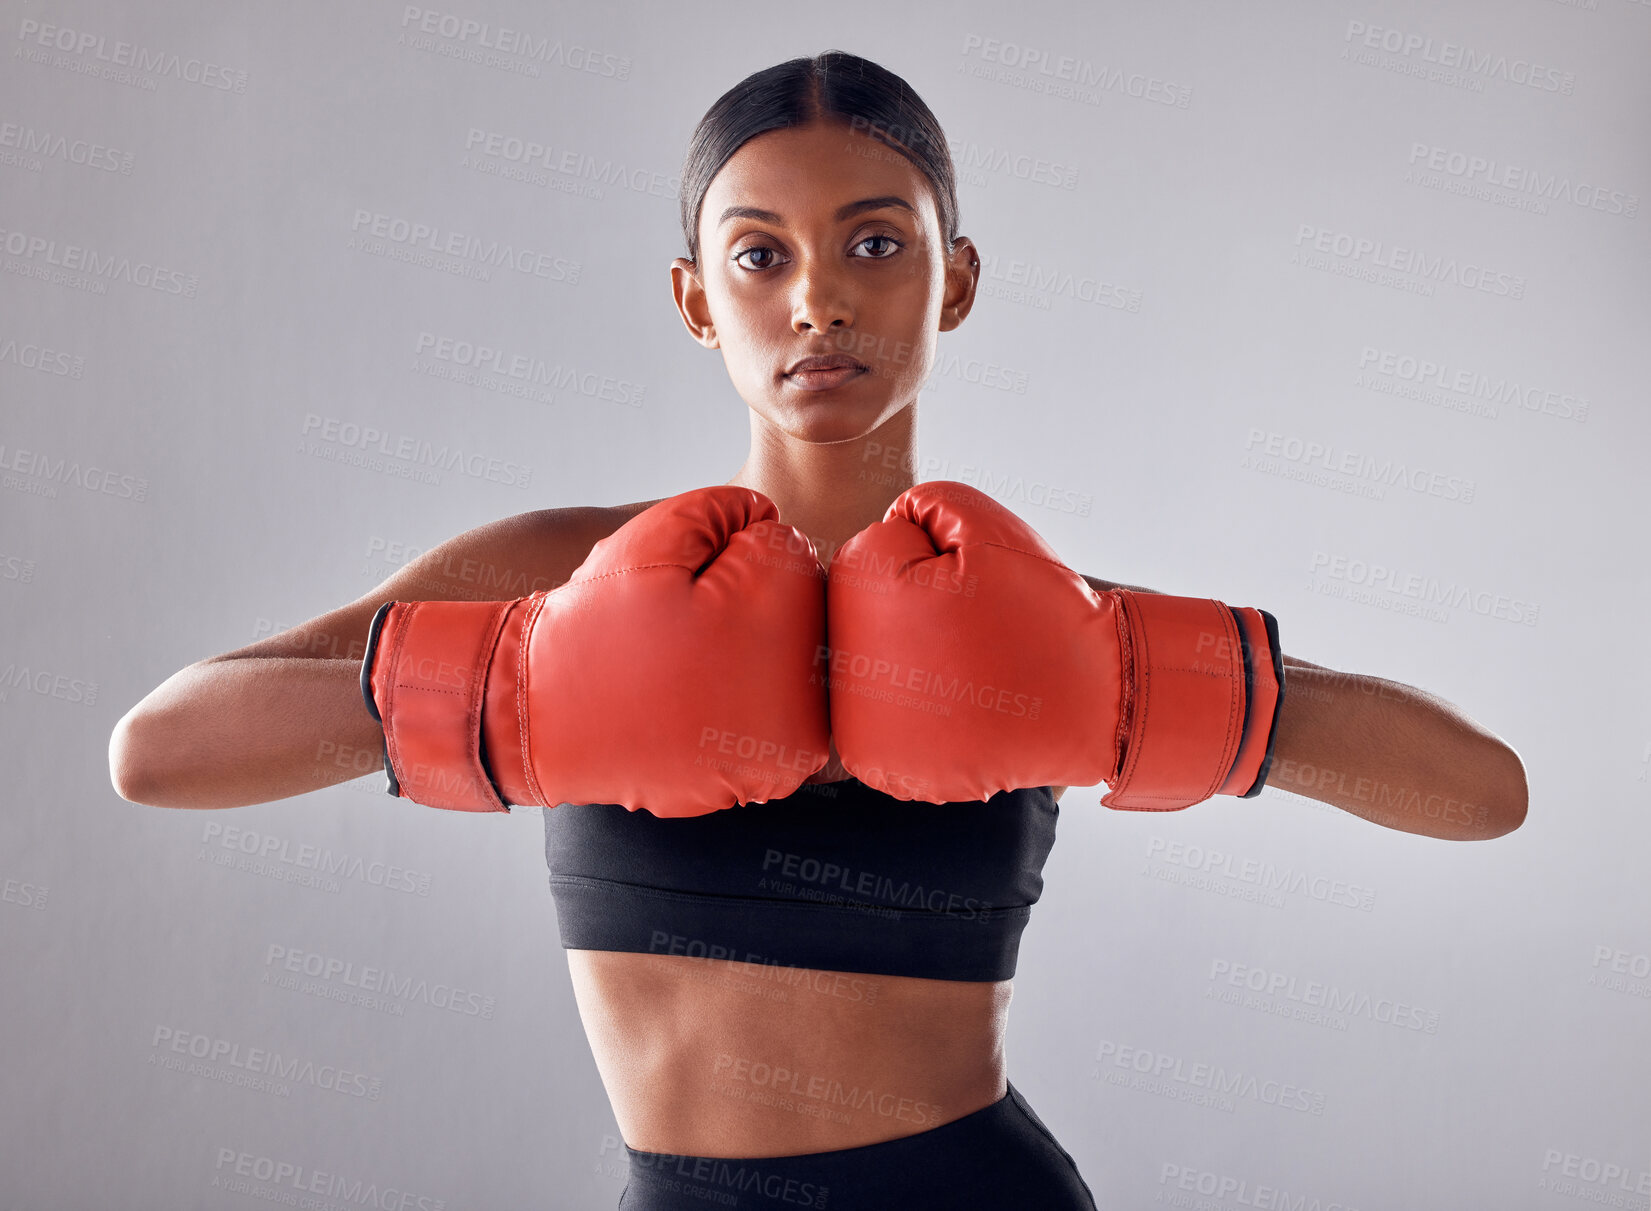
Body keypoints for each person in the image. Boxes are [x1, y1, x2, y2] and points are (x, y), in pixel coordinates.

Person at [109, 50, 1528, 1210]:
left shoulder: (1037, 614)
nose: (819, 299)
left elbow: (1483, 795)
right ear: (692, 299)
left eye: (874, 242)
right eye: (758, 255)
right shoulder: (563, 571)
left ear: (954, 281)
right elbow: (155, 754)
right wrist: (508, 686)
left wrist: (1124, 681)